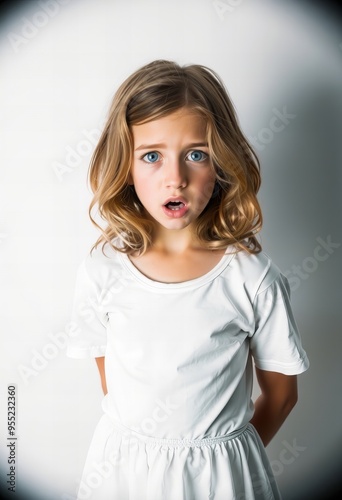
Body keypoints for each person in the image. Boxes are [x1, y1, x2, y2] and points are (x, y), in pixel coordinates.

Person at [66, 59, 309, 500]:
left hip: (222, 479)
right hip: (123, 473)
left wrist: (220, 460)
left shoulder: (252, 278)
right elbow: (113, 383)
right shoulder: (102, 269)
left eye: (196, 154)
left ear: (221, 164)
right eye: (152, 156)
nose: (174, 179)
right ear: (126, 164)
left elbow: (282, 396)